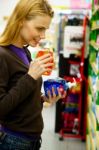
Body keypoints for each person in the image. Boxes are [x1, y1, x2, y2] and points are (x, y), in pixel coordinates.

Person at [0, 0, 66, 149]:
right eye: (39, 28)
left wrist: (43, 98)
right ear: (21, 21)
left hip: (32, 141)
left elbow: (21, 98)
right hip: (13, 141)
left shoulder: (25, 51)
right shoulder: (3, 55)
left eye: (45, 30)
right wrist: (30, 77)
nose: (43, 35)